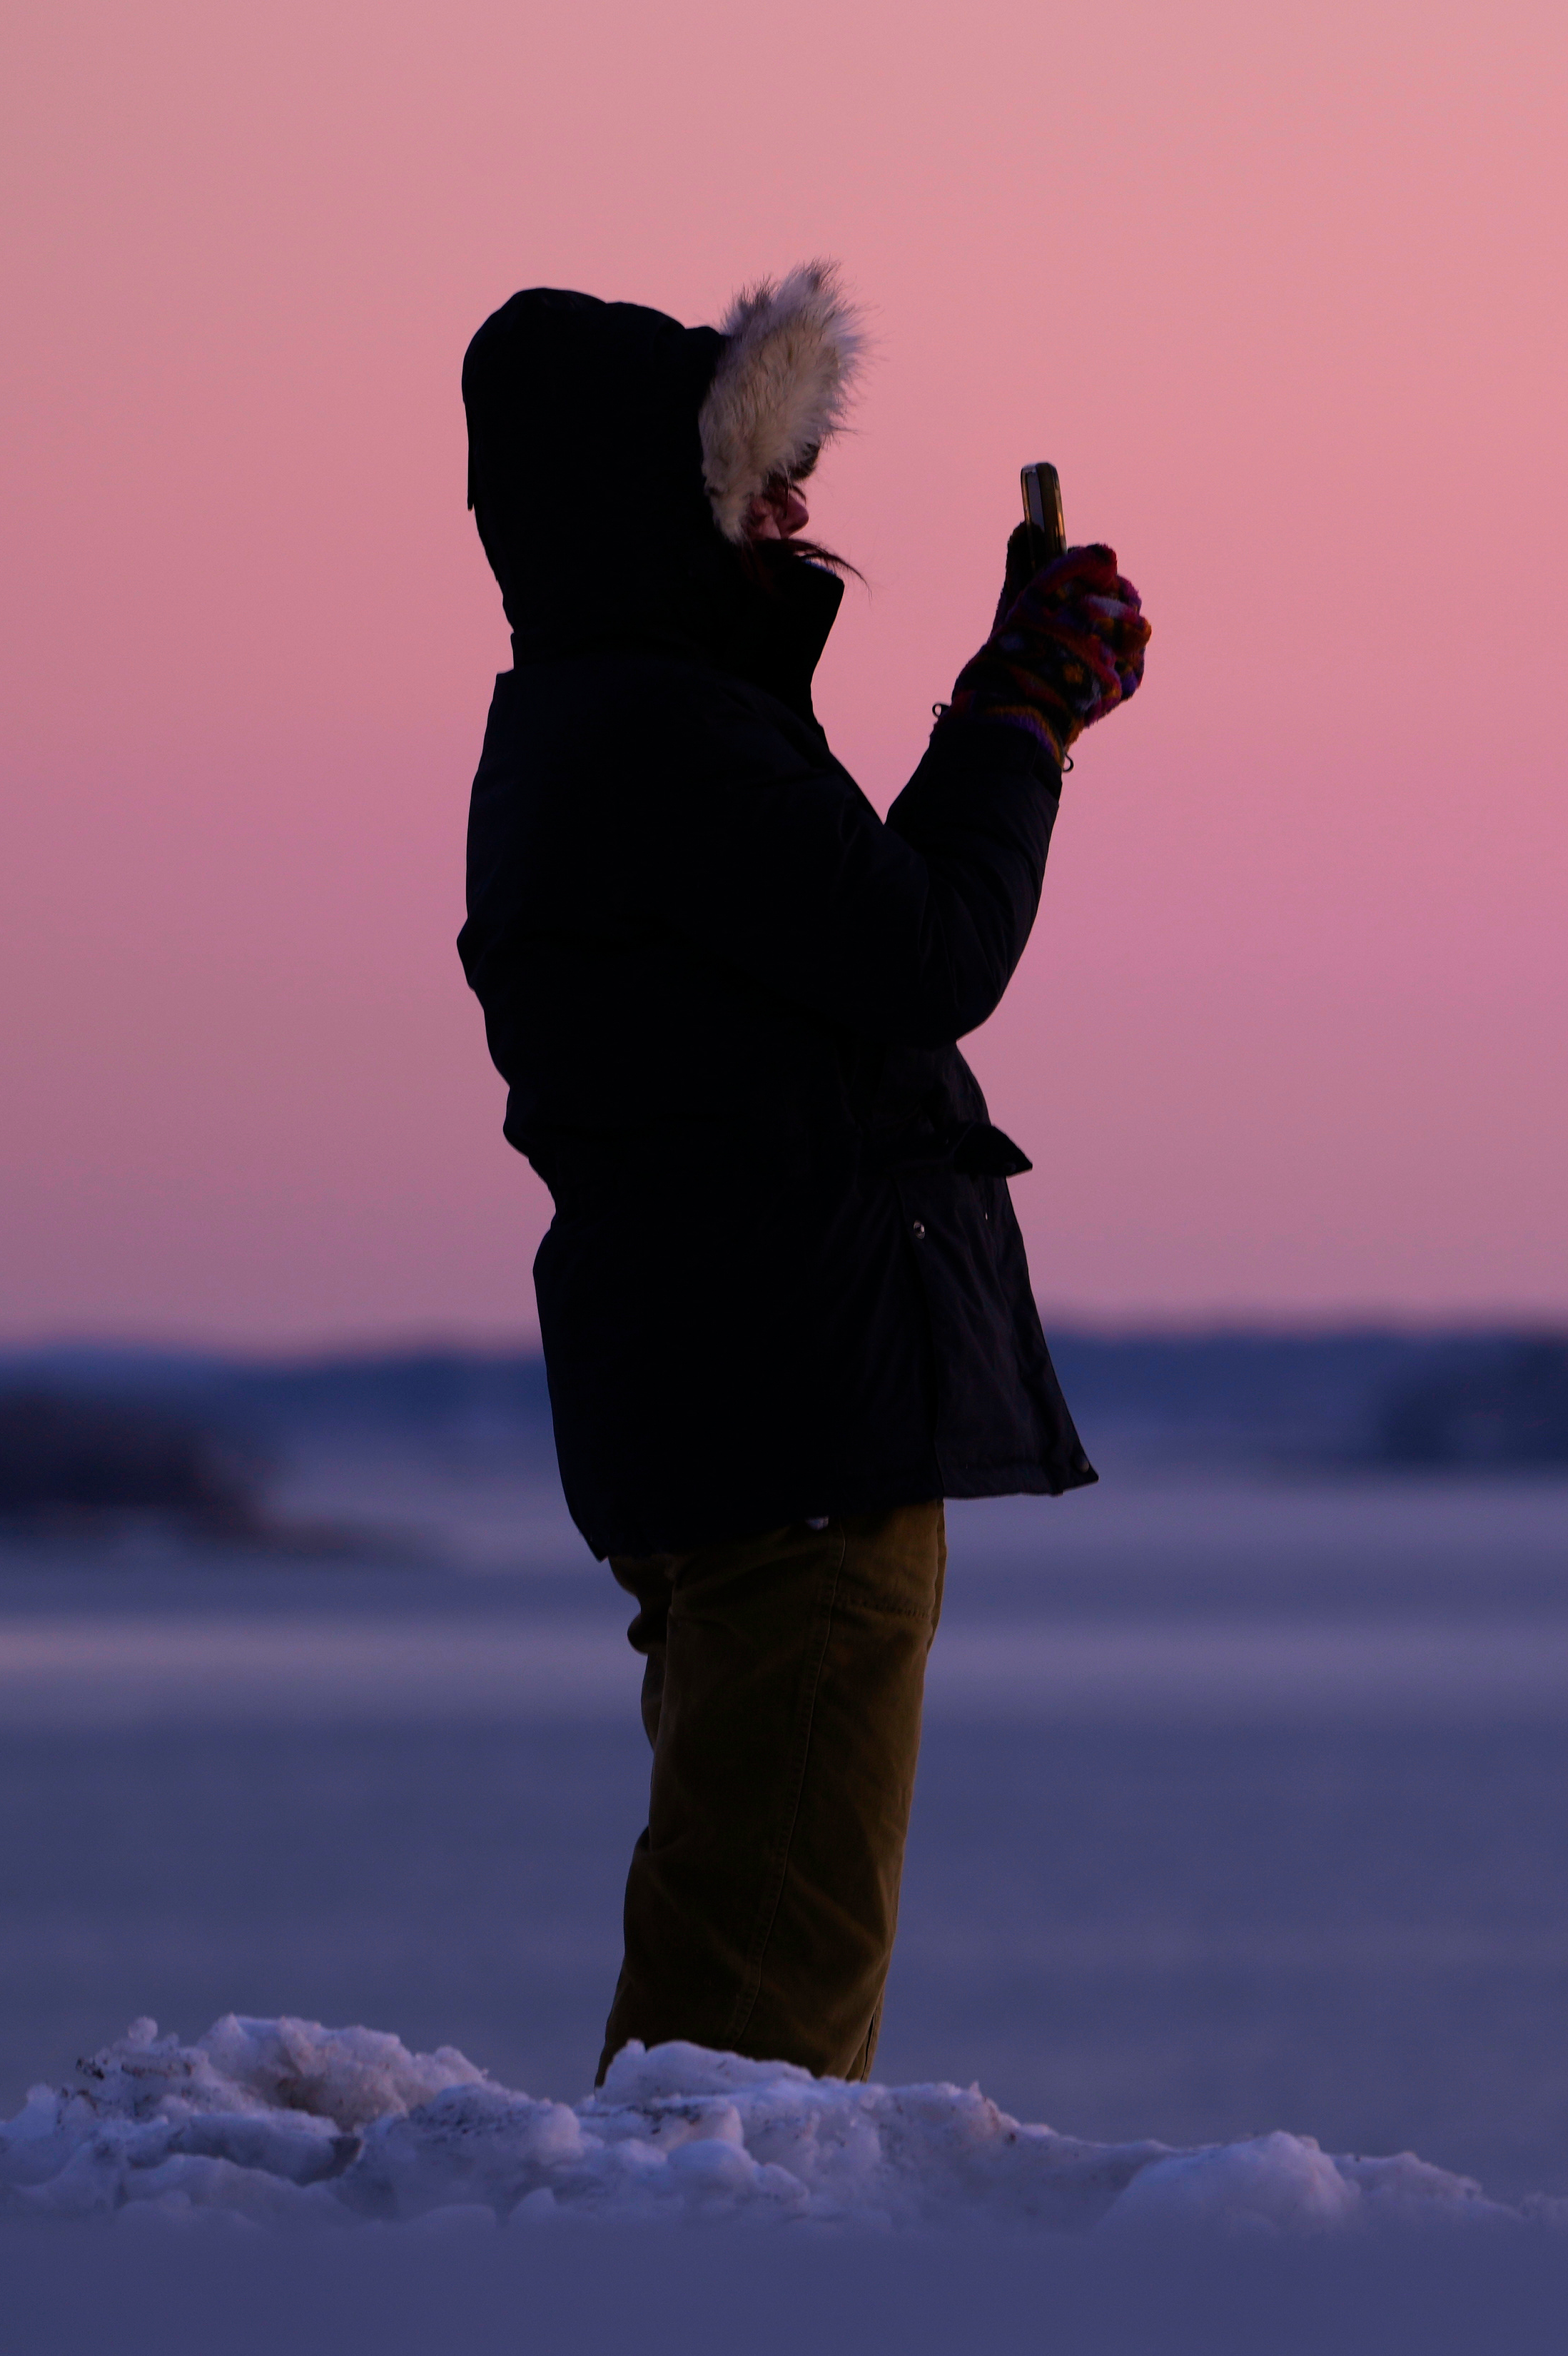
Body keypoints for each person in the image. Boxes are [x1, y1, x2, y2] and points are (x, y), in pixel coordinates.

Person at [454, 263, 1148, 2083]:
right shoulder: (662, 732)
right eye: (750, 472)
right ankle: (690, 2283)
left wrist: (1003, 712)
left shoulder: (620, 725)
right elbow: (925, 960)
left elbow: (859, 943)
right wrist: (1020, 720)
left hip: (735, 1413)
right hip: (797, 1438)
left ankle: (664, 2256)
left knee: (736, 1943)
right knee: (760, 2010)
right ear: (650, 503)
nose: (794, 506)